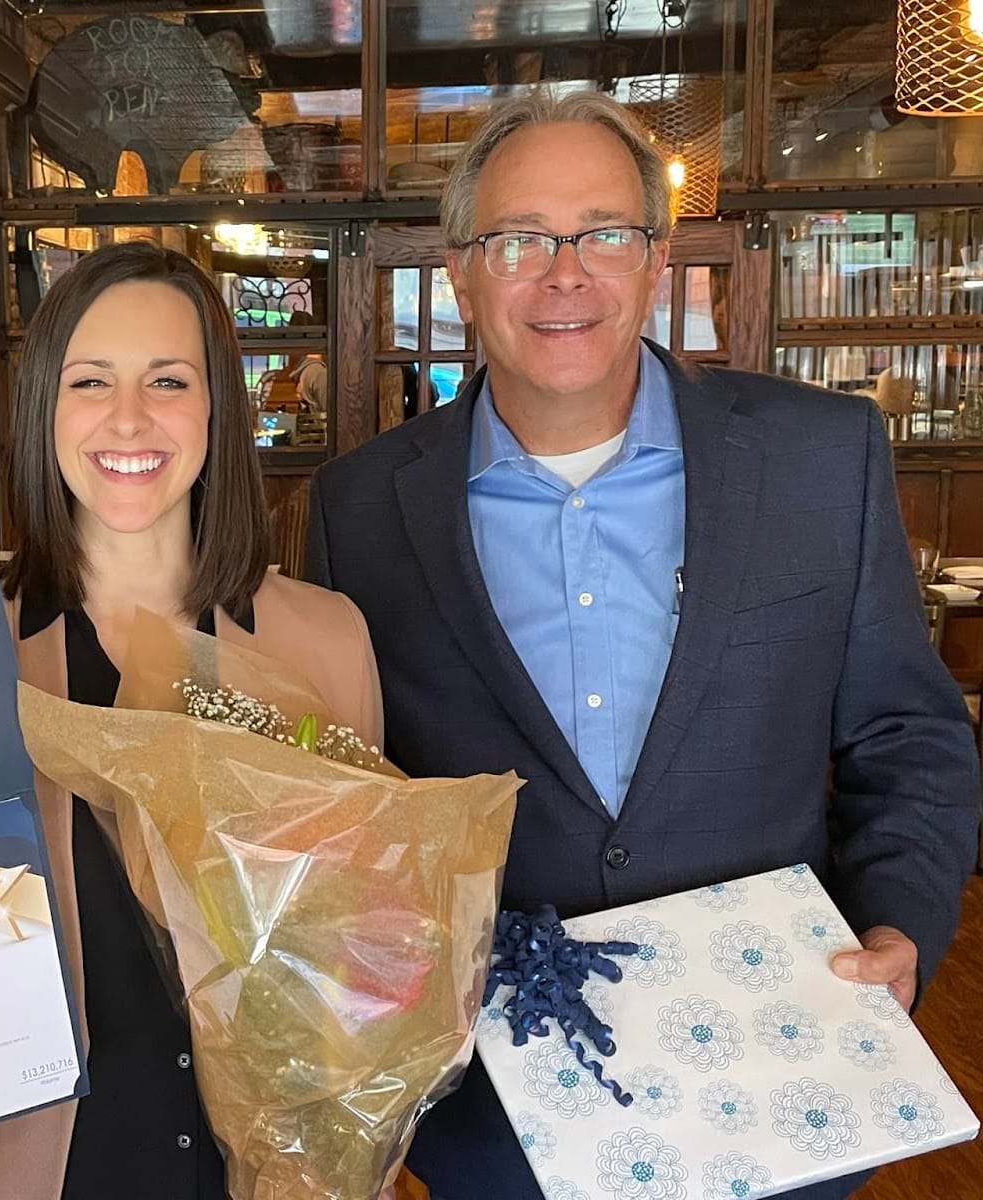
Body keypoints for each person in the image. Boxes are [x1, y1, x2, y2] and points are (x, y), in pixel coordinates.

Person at [304, 90, 980, 1200]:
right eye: (520, 239)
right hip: (500, 1120)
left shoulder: (819, 461)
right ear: (463, 272)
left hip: (779, 1074)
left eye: (604, 234)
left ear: (656, 262)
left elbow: (906, 734)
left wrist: (899, 920)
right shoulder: (359, 508)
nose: (564, 274)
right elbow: (349, 801)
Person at [0, 240, 383, 1199]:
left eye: (167, 379)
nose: (128, 417)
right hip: (50, 1169)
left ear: (214, 410)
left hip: (269, 1168)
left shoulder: (325, 640)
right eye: (90, 381)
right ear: (45, 409)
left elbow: (365, 937)